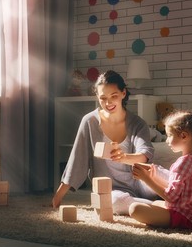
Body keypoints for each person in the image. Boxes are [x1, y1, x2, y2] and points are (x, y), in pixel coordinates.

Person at [52, 70, 159, 214]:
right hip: (111, 190)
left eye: (114, 96)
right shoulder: (89, 121)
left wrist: (123, 157)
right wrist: (57, 197)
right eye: (103, 98)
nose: (108, 103)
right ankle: (161, 206)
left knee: (160, 174)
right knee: (114, 202)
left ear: (123, 93)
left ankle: (156, 204)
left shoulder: (137, 123)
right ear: (97, 96)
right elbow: (77, 160)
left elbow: (145, 155)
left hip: (140, 183)